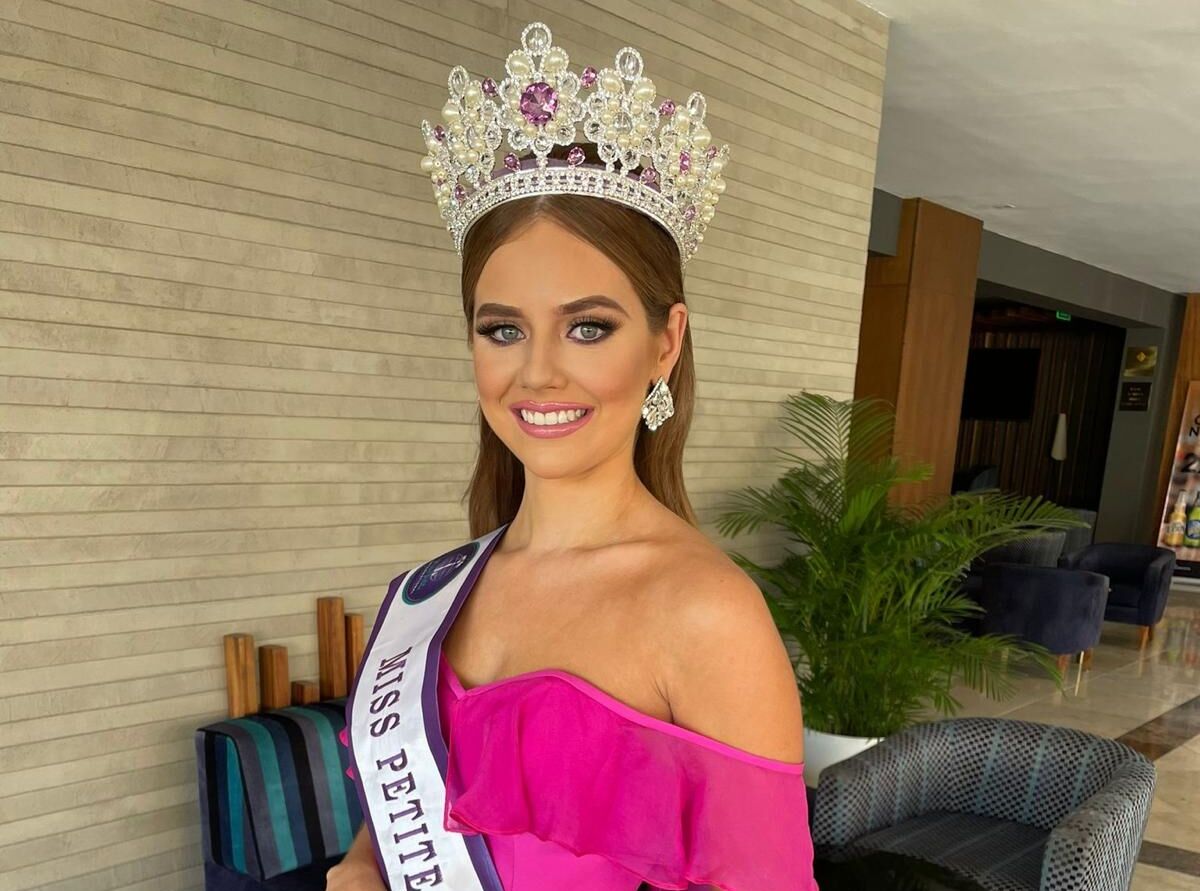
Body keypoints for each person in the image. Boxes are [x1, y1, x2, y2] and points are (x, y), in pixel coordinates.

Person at [328, 21, 816, 891]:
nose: (538, 372)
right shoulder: (435, 592)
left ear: (665, 342)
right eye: (503, 329)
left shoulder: (707, 615)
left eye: (588, 327)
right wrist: (360, 868)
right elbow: (406, 822)